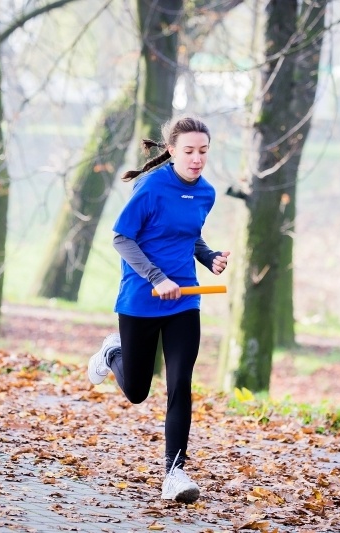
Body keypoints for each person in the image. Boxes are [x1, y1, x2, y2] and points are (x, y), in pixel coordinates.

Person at [87, 115, 230, 504]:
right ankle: (111, 352)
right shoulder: (151, 187)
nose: (197, 159)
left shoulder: (206, 193)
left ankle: (174, 473)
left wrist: (210, 257)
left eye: (203, 151)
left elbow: (189, 234)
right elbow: (121, 237)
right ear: (172, 151)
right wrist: (155, 277)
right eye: (189, 151)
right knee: (136, 390)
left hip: (185, 298)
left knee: (180, 382)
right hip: (141, 298)